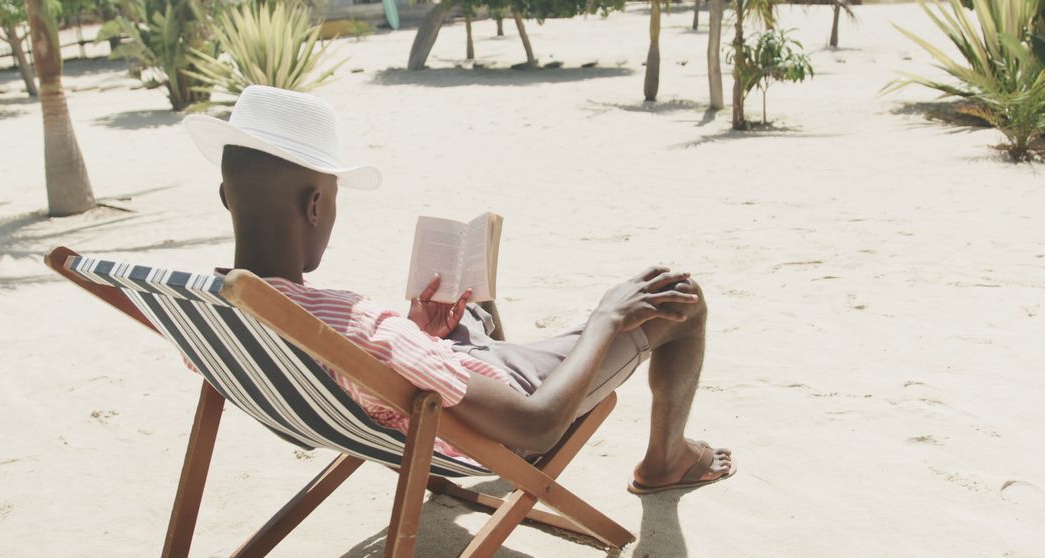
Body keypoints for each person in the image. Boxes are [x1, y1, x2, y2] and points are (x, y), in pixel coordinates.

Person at [183, 86, 733, 494]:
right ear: (317, 206)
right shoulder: (355, 322)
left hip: (428, 385)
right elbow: (535, 425)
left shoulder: (208, 307)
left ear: (226, 199)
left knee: (470, 311)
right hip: (502, 411)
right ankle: (667, 460)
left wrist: (418, 336)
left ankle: (476, 334)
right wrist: (606, 317)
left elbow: (366, 371)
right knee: (681, 300)